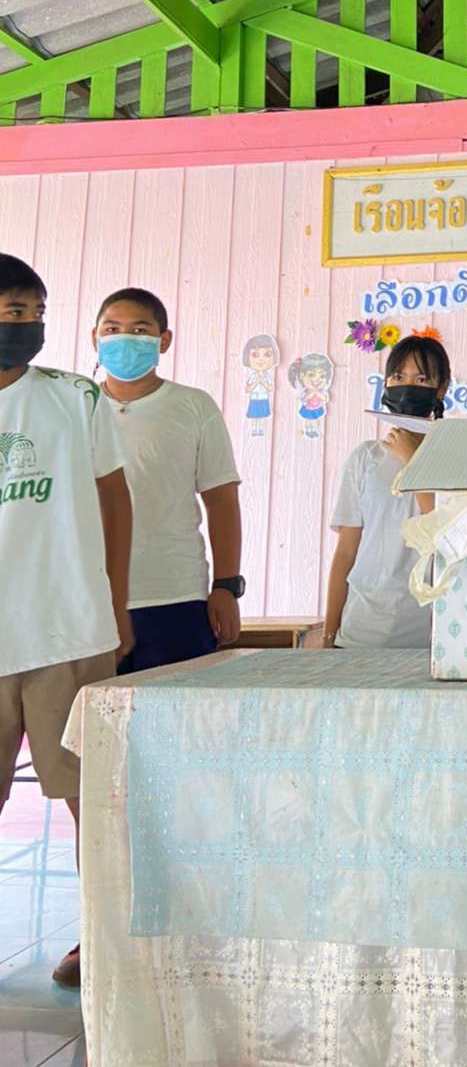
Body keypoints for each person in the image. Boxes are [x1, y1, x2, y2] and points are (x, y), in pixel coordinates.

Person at [0, 254, 133, 990]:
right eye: (12, 311)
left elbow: (115, 499)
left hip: (68, 632)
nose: (25, 324)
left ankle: (97, 939)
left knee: (91, 800)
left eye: (34, 312)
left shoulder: (76, 397)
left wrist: (115, 603)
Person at [92, 288, 244, 672]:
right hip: (89, 597)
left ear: (164, 340)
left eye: (139, 330)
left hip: (175, 594)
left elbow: (221, 500)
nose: (124, 339)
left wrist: (226, 586)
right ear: (95, 338)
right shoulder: (75, 406)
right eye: (112, 329)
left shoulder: (194, 406)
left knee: (178, 705)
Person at [322, 333, 449, 649]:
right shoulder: (365, 457)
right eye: (398, 376)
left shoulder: (454, 458)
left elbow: (446, 531)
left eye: (421, 378)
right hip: (359, 633)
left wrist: (412, 460)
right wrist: (328, 635)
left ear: (441, 388)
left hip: (427, 637)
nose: (407, 385)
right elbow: (346, 552)